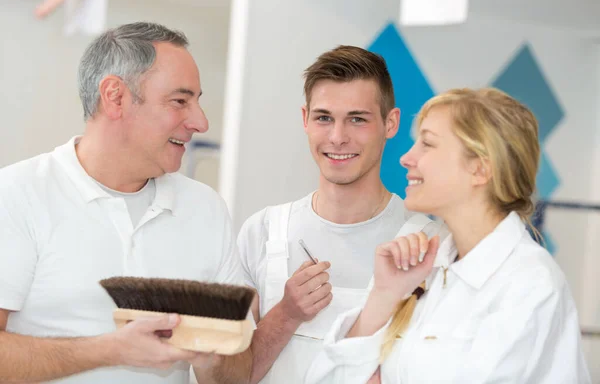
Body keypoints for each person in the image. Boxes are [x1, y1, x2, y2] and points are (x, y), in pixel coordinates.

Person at [0, 22, 251, 384]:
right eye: (180, 101)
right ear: (115, 97)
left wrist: (212, 356)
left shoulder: (206, 208)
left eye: (197, 101)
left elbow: (237, 375)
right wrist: (110, 349)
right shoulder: (15, 195)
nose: (200, 121)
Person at [305, 88, 592, 383]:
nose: (406, 157)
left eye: (427, 144)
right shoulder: (421, 267)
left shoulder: (529, 284)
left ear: (480, 170)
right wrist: (384, 296)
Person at [237, 45, 433, 384]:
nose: (338, 137)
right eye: (324, 118)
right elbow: (226, 379)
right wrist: (286, 314)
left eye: (357, 119)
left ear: (391, 123)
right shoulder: (262, 232)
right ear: (305, 120)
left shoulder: (429, 244)